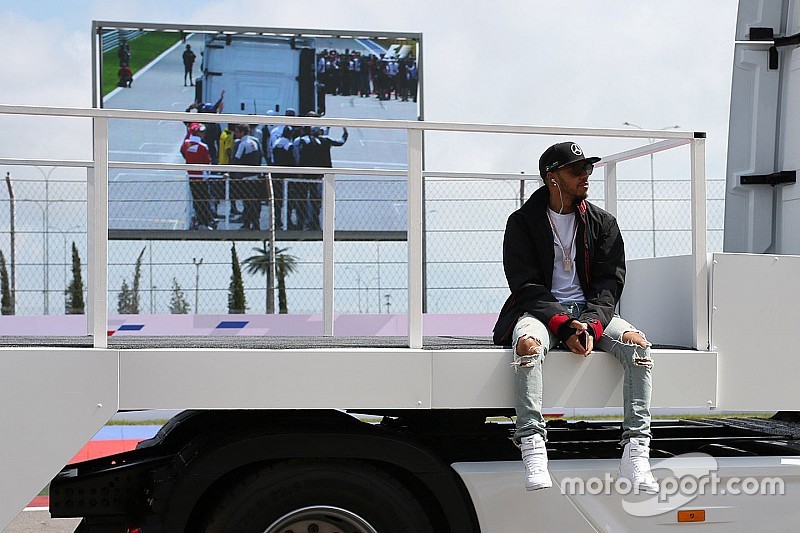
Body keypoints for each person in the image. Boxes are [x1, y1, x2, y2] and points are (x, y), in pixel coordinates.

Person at [493, 141, 657, 493]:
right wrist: (565, 326)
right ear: (552, 178)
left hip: (592, 312)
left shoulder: (602, 223)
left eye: (588, 169)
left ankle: (636, 452)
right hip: (541, 311)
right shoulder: (522, 223)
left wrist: (593, 326)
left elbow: (610, 283)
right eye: (576, 170)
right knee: (526, 345)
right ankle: (533, 447)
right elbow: (526, 285)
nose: (585, 175)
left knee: (639, 347)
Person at [291, 112, 348, 230]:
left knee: (302, 198)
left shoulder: (303, 141)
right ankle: (314, 222)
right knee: (316, 199)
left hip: (305, 175)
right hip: (319, 176)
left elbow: (298, 156)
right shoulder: (324, 140)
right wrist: (345, 132)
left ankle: (302, 221)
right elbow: (341, 141)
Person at [230, 124, 264, 230]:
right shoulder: (256, 141)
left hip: (246, 177)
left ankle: (249, 223)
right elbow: (260, 155)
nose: (235, 134)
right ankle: (253, 223)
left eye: (237, 132)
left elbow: (237, 159)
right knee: (255, 201)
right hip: (256, 176)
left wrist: (231, 173)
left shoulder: (242, 143)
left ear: (242, 132)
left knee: (247, 202)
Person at [180, 123, 214, 230]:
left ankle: (200, 220)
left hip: (191, 176)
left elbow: (183, 152)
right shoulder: (203, 147)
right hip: (202, 178)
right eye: (202, 132)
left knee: (196, 200)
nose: (204, 133)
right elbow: (207, 163)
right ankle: (204, 221)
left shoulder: (186, 144)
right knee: (204, 200)